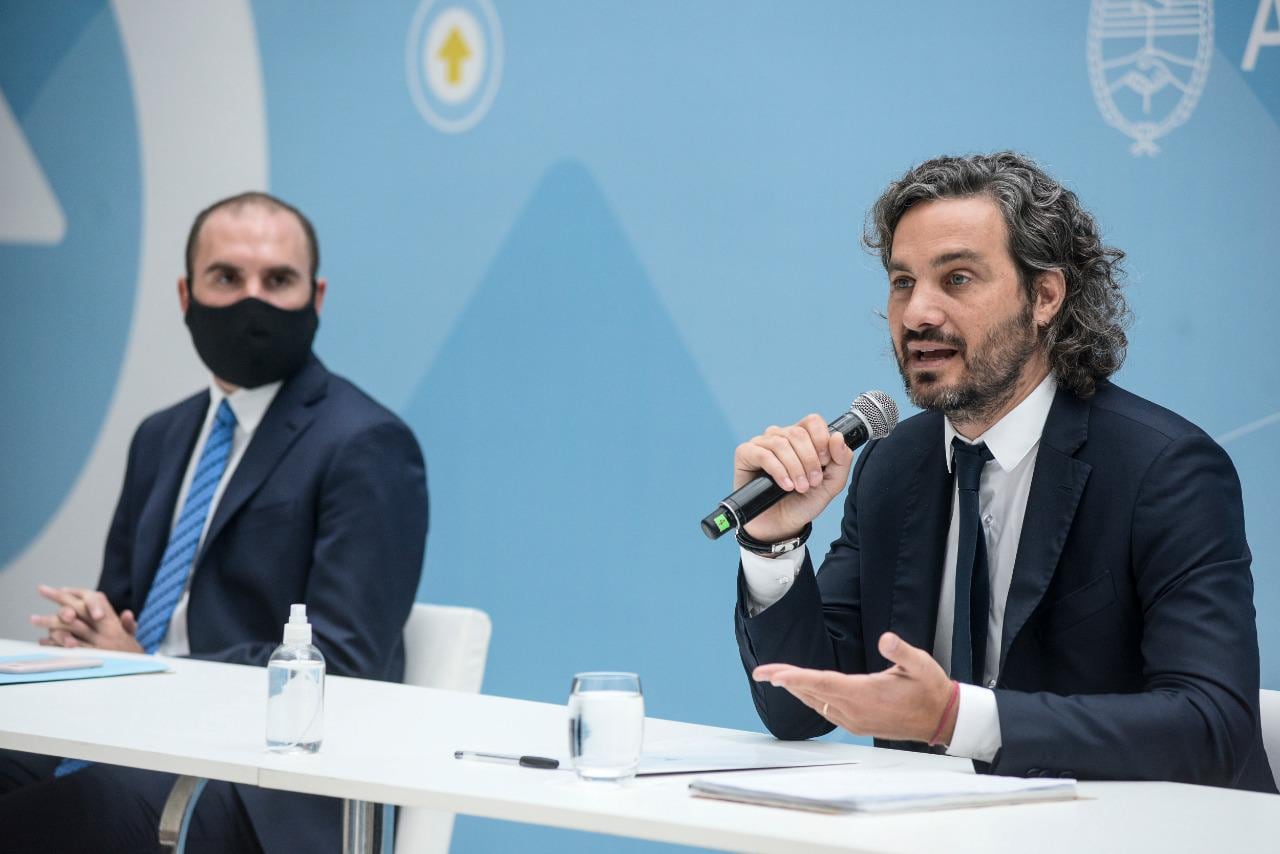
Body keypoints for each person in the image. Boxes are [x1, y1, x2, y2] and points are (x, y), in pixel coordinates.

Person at [732, 152, 1275, 792]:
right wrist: (773, 542)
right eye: (903, 281)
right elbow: (797, 710)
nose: (916, 315)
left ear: (1044, 296)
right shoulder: (894, 467)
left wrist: (958, 719)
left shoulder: (1163, 469)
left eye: (956, 279)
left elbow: (1212, 727)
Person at [0, 192, 429, 852]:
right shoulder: (161, 435)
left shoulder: (365, 443)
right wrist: (91, 632)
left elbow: (341, 667)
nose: (251, 301)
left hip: (264, 784)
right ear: (185, 295)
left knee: (52, 821)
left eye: (277, 281)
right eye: (226, 278)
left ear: (316, 298)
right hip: (132, 741)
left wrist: (148, 670)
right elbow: (126, 615)